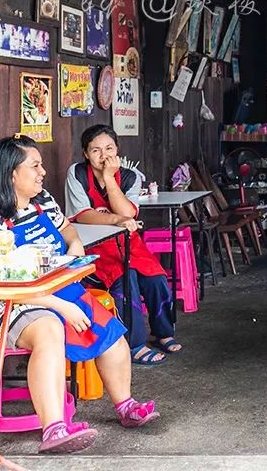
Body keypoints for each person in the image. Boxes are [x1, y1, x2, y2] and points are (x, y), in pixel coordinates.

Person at [0, 135, 158, 455]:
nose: (43, 172)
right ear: (11, 174)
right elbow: (1, 281)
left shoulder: (43, 199)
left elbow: (67, 228)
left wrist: (75, 247)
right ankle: (54, 428)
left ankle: (126, 406)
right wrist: (57, 305)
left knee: (108, 328)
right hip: (5, 300)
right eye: (35, 166)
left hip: (55, 287)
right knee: (49, 328)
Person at [65, 124, 180, 366]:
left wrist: (109, 179)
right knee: (126, 280)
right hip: (96, 247)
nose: (103, 155)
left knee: (155, 278)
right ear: (85, 154)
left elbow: (128, 210)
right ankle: (135, 343)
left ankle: (162, 332)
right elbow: (83, 214)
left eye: (109, 148)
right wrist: (116, 219)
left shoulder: (129, 177)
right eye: (95, 150)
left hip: (129, 243)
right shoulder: (76, 174)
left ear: (117, 150)